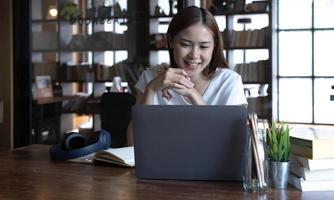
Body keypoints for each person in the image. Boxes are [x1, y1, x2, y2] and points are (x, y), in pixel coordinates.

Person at [127, 6, 247, 144]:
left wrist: (193, 94)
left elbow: (228, 143)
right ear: (171, 41)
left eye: (204, 46)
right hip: (162, 164)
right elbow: (133, 144)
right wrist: (152, 89)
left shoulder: (229, 81)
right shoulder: (150, 78)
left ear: (214, 47)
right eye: (185, 44)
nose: (194, 55)